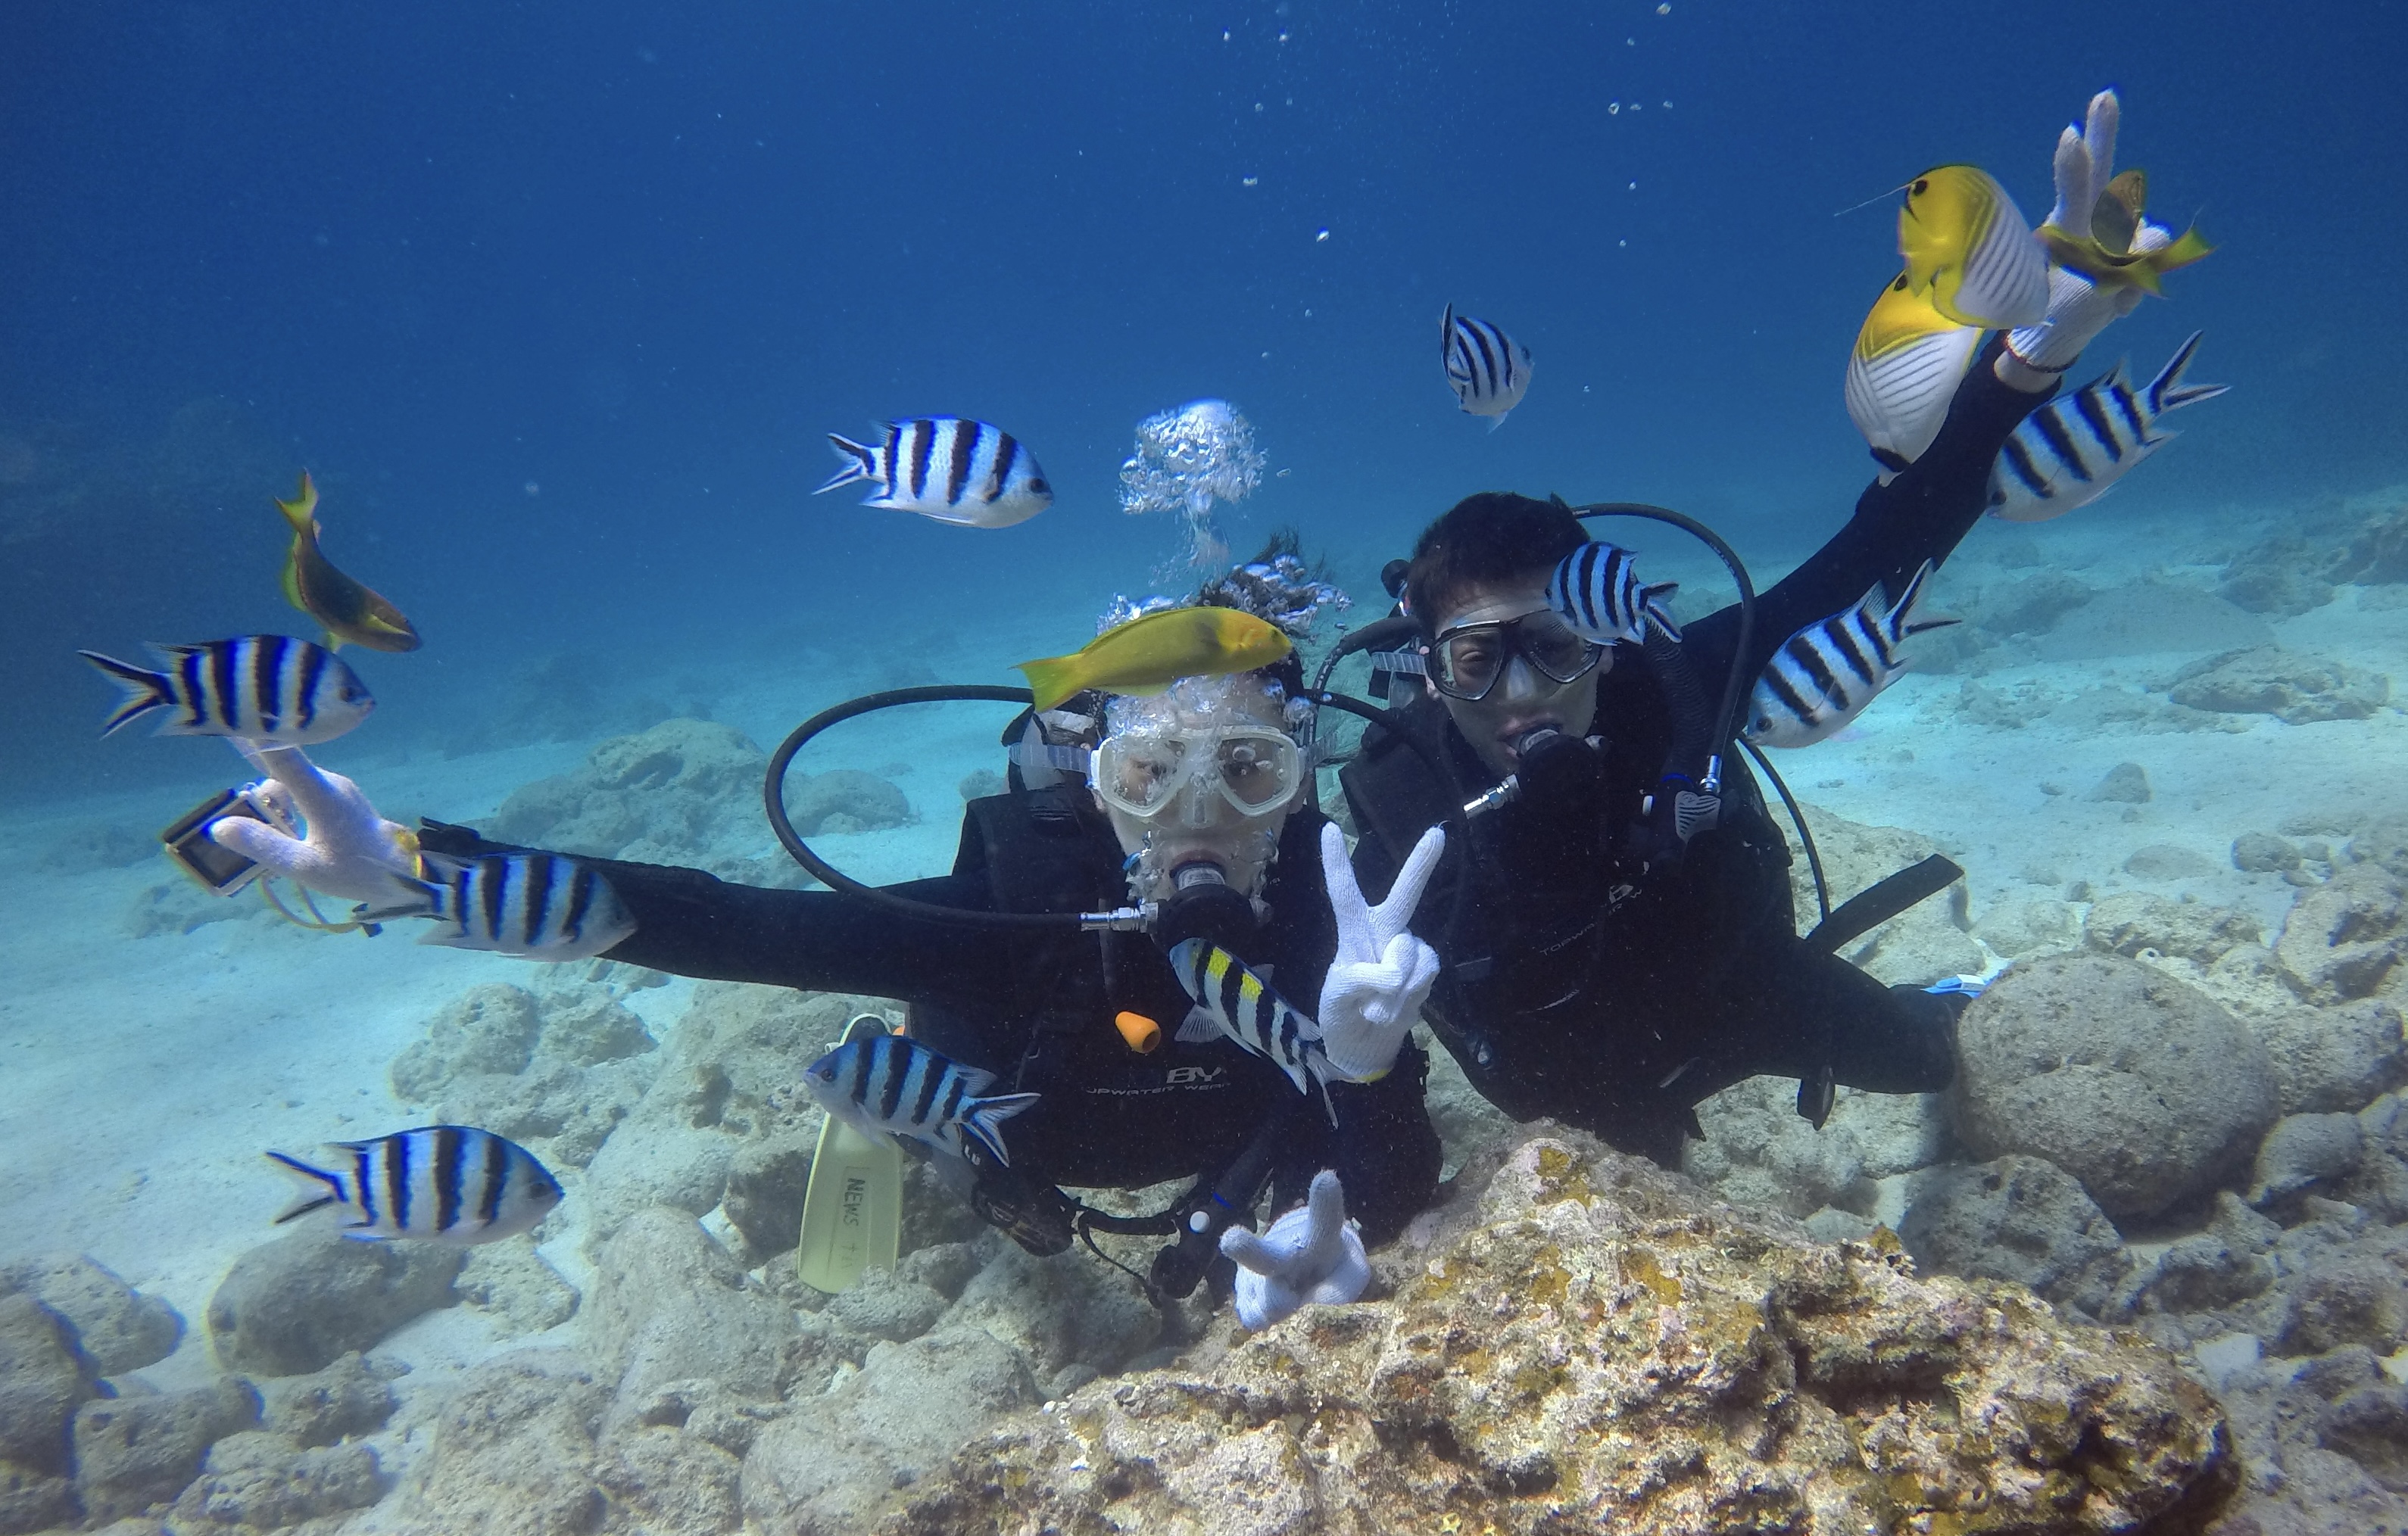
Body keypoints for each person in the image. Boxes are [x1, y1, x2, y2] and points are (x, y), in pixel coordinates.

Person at [1340, 89, 2204, 1164]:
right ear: (1426, 671)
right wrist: (1358, 1059)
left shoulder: (1676, 682)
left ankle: (1955, 994)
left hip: (1751, 1000)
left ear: (1609, 637)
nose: (1522, 695)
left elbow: (1881, 553)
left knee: (1938, 1054)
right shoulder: (1385, 795)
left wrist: (2024, 367)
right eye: (1478, 658)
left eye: (1557, 643)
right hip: (1567, 1104)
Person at [216, 576, 1449, 1316]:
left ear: (1297, 792)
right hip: (1016, 1141)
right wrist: (431, 861)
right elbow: (741, 920)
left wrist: (1375, 1073)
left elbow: (1392, 1183)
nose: (1196, 820)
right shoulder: (1008, 920)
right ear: (1098, 788)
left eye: (1247, 773)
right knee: (922, 1103)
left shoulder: (1333, 931)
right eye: (1149, 774)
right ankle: (879, 1091)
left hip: (1227, 1173)